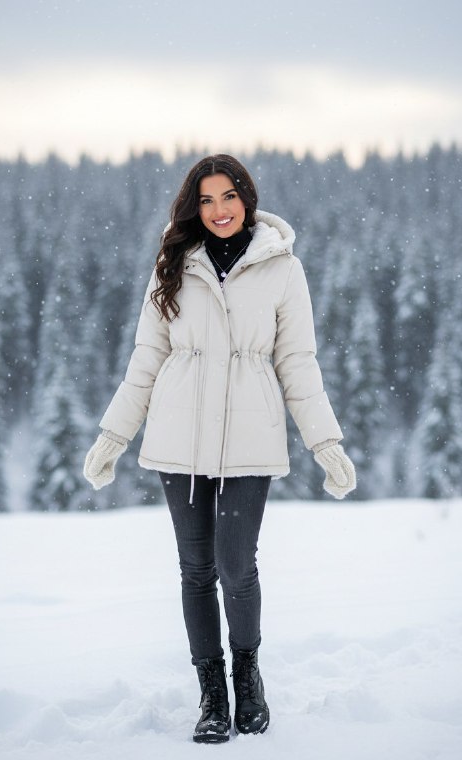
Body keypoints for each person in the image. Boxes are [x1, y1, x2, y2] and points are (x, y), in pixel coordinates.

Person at [83, 154, 356, 743]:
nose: (219, 210)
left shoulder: (283, 268)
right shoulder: (173, 264)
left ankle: (247, 677)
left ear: (246, 198)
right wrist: (114, 434)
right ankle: (212, 693)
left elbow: (297, 362)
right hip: (179, 437)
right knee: (195, 569)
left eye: (228, 196)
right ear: (194, 207)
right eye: (205, 200)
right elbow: (147, 359)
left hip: (250, 438)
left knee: (236, 565)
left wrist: (325, 441)